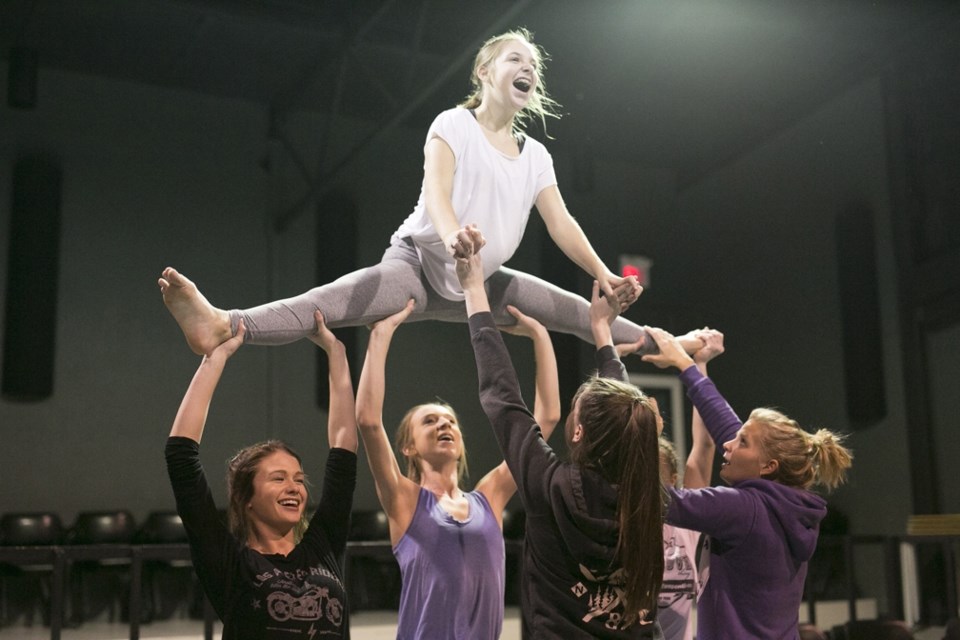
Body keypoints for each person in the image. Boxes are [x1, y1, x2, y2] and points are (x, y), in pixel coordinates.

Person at [158, 28, 702, 357]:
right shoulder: (453, 124)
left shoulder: (536, 155)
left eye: (533, 66)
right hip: (418, 267)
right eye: (516, 59)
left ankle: (669, 346)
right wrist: (454, 239)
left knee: (580, 314)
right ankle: (224, 324)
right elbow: (437, 195)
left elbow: (560, 222)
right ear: (486, 72)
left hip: (484, 282)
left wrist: (604, 273)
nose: (527, 69)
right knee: (328, 303)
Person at [457, 242, 666, 638]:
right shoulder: (649, 497)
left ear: (579, 431)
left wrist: (473, 290)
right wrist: (601, 330)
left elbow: (502, 396)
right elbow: (624, 419)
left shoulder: (552, 490)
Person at [354, 296, 562, 639]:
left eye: (450, 421)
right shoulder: (404, 500)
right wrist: (381, 334)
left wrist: (540, 336)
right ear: (408, 446)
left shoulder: (489, 497)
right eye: (430, 421)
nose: (443, 426)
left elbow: (548, 417)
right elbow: (368, 421)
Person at [640, 326, 854, 640]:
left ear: (768, 466)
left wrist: (642, 432)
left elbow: (650, 497)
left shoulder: (742, 508)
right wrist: (693, 367)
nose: (729, 444)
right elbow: (725, 425)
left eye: (742, 442)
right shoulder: (791, 504)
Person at [164, 311, 357, 639]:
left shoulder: (323, 545)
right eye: (279, 478)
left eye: (298, 478)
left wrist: (335, 352)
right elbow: (181, 455)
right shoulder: (229, 563)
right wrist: (216, 356)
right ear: (246, 498)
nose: (294, 487)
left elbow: (343, 448)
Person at [648, 329, 722, 640]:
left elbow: (704, 447)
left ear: (674, 480)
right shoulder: (621, 515)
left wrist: (698, 364)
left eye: (656, 475)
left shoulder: (686, 518)